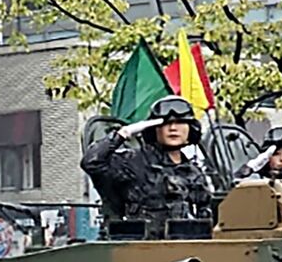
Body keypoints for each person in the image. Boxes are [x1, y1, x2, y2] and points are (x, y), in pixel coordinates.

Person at [80, 95, 213, 236]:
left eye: (180, 122)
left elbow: (204, 217)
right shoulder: (133, 162)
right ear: (154, 128)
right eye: (165, 123)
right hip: (138, 248)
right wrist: (123, 133)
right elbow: (92, 162)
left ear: (190, 128)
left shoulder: (194, 173)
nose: (173, 128)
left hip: (185, 248)